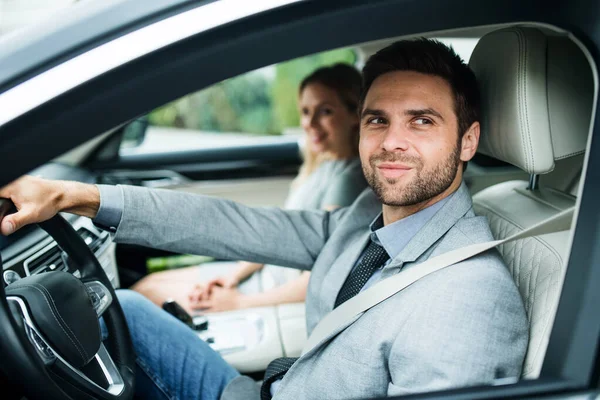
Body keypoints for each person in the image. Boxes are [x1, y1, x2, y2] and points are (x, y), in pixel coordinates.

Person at [0, 38, 528, 400]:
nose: (392, 141)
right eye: (377, 120)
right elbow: (231, 225)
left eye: (422, 121)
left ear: (468, 140)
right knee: (126, 310)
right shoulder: (369, 215)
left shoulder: (469, 300)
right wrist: (76, 196)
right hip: (266, 389)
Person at [131, 64, 367, 313]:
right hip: (263, 275)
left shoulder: (348, 180)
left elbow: (326, 273)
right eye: (306, 111)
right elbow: (283, 238)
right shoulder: (324, 166)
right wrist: (234, 276)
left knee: (144, 296)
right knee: (147, 285)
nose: (310, 123)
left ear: (355, 114)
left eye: (325, 111)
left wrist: (239, 303)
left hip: (271, 293)